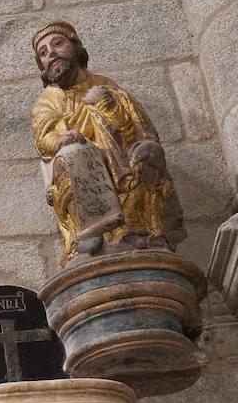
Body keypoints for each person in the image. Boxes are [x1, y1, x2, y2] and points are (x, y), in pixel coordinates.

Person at [30, 21, 184, 264]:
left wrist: (106, 104)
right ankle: (94, 236)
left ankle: (137, 233)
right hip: (79, 160)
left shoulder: (105, 85)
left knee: (147, 154)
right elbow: (44, 137)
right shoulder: (47, 101)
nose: (51, 54)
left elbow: (133, 127)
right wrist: (62, 139)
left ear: (76, 46)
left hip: (120, 156)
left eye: (58, 44)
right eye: (43, 52)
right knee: (77, 154)